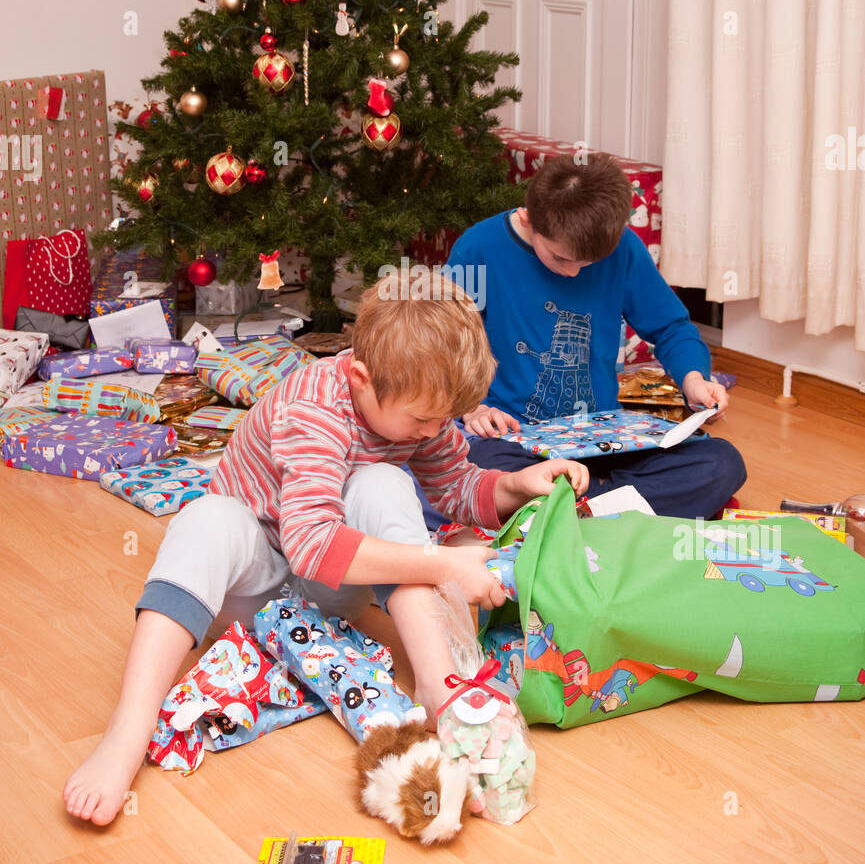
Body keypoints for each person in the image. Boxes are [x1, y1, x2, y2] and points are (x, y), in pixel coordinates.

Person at [63, 272, 587, 826]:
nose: (434, 430)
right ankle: (129, 727)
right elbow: (311, 544)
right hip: (252, 593)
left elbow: (456, 485)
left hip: (329, 597)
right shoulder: (313, 406)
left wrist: (516, 484)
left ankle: (438, 683)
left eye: (443, 419)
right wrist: (445, 563)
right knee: (205, 517)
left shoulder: (418, 410)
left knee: (382, 483)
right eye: (422, 419)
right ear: (360, 378)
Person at [447, 153, 746, 517]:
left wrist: (694, 380)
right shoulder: (478, 248)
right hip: (512, 439)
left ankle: (577, 509)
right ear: (528, 218)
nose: (574, 273)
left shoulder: (624, 248)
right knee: (480, 469)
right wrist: (471, 407)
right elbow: (445, 344)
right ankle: (616, 506)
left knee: (722, 462)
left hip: (606, 439)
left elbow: (671, 326)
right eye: (560, 259)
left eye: (588, 264)